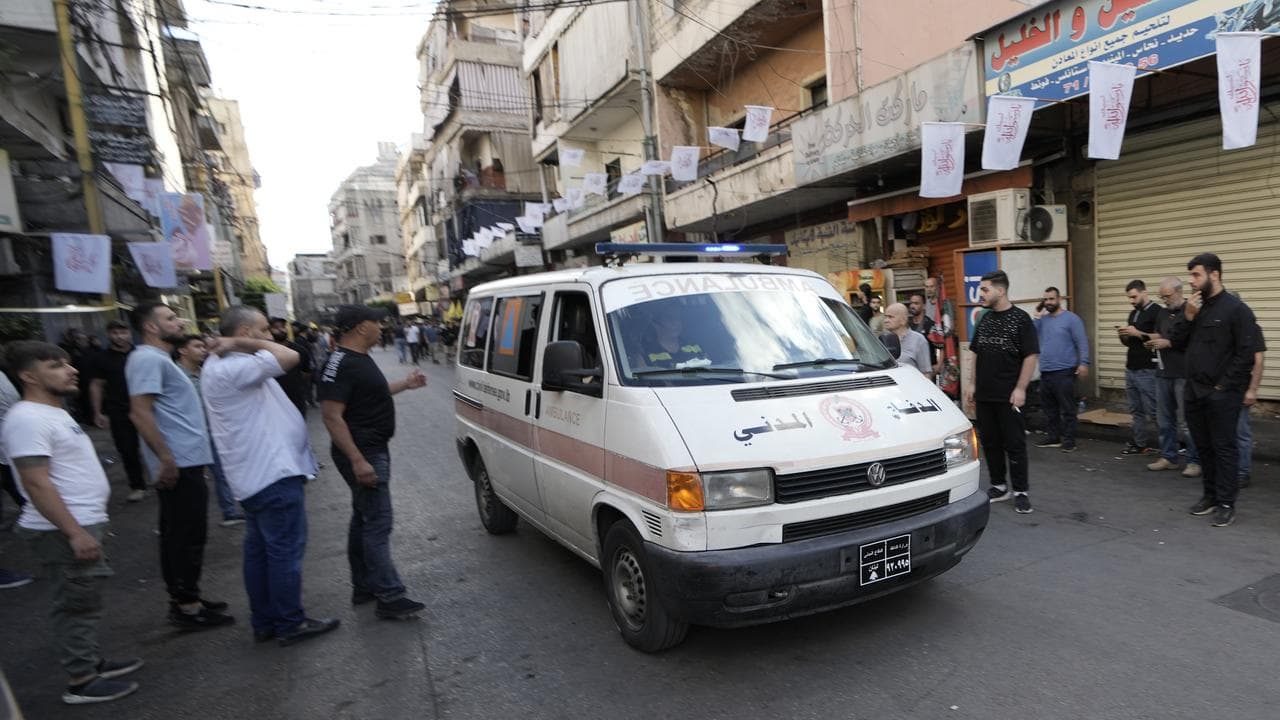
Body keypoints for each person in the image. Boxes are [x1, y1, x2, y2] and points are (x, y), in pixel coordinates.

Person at [4, 341, 142, 704]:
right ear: (28, 376)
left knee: (85, 599)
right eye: (56, 366)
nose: (72, 370)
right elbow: (36, 482)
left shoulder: (53, 411)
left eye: (67, 363)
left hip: (78, 522)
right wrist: (74, 532)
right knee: (74, 604)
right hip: (61, 530)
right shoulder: (27, 418)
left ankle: (91, 661)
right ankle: (81, 680)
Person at [203, 306, 340, 646]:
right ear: (244, 333)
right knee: (283, 553)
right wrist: (241, 343)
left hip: (256, 477)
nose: (270, 335)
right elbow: (290, 355)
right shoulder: (233, 366)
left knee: (262, 553)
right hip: (272, 475)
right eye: (263, 330)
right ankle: (290, 622)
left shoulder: (222, 365)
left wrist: (239, 343)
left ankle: (265, 620)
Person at [126, 302, 234, 630]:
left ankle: (188, 597)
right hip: (178, 462)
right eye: (170, 318)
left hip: (186, 459)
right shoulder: (147, 358)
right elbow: (139, 412)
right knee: (185, 535)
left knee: (185, 532)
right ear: (150, 327)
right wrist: (166, 458)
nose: (180, 322)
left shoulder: (160, 359)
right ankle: (187, 606)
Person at [320, 306, 428, 620]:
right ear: (360, 327)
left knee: (363, 519)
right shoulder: (343, 363)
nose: (381, 327)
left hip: (369, 448)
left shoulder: (353, 359)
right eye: (376, 322)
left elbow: (371, 394)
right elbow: (331, 415)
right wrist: (357, 459)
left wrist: (406, 384)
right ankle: (389, 595)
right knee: (378, 522)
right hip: (364, 452)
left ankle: (365, 586)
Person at [1166, 253, 1257, 528]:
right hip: (1194, 391)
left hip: (1222, 394)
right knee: (1203, 447)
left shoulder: (1237, 310)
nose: (1191, 281)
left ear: (1214, 274)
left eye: (1196, 275)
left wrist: (1222, 386)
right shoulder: (1195, 308)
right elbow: (1176, 343)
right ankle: (1210, 496)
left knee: (1224, 448)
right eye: (1190, 275)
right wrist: (1188, 317)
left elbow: (1246, 354)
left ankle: (1227, 503)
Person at [964, 270, 1039, 514]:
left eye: (985, 289)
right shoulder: (985, 318)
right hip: (985, 395)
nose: (981, 294)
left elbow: (1031, 355)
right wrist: (972, 384)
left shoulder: (1021, 319)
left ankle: (1021, 491)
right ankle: (999, 486)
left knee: (1015, 444)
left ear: (1001, 290)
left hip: (1009, 396)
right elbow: (976, 352)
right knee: (990, 442)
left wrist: (1021, 388)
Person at [172, 335, 244, 527]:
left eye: (204, 346)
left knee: (222, 472)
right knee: (189, 481)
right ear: (182, 350)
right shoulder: (175, 375)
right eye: (197, 346)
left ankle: (230, 512)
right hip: (186, 436)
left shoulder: (206, 372)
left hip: (212, 431)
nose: (203, 350)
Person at [1143, 278, 1201, 477]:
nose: (1164, 300)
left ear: (1179, 292)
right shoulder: (1162, 312)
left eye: (1167, 296)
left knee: (1187, 421)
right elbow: (1159, 334)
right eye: (1162, 296)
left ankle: (1194, 461)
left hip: (1184, 373)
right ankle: (1168, 457)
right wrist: (1149, 339)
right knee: (1164, 420)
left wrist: (1167, 343)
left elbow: (1192, 339)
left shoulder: (1191, 310)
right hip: (1163, 371)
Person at [88, 320, 147, 502]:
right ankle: (137, 485)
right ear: (108, 335)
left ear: (129, 333)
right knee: (127, 448)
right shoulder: (101, 358)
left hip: (147, 406)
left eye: (123, 332)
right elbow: (96, 385)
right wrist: (97, 412)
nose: (120, 337)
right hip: (119, 410)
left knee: (155, 442)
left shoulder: (141, 354)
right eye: (115, 333)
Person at [1033, 287, 1090, 452]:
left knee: (1067, 409)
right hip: (1046, 371)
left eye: (1051, 299)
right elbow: (1031, 335)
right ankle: (1053, 438)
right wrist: (1037, 316)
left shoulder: (1072, 319)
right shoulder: (1043, 320)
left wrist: (1084, 362)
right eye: (1046, 299)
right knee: (1049, 409)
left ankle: (1069, 441)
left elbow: (1082, 342)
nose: (1048, 302)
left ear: (1059, 299)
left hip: (1064, 370)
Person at [1116, 280, 1161, 454]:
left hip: (1148, 368)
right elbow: (1129, 343)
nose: (1132, 301)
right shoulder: (1133, 313)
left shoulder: (1157, 311)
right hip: (1131, 367)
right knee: (1136, 410)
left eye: (1134, 297)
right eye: (1129, 298)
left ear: (1144, 292)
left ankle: (1169, 447)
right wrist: (1124, 335)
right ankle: (1140, 443)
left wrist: (1138, 333)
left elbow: (1161, 336)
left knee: (1154, 410)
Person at [1235, 322, 1265, 489]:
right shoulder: (1219, 326)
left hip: (1240, 388)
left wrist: (1252, 390)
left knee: (1241, 432)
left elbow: (1258, 361)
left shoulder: (1251, 328)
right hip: (1218, 389)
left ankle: (1242, 472)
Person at [269, 317, 313, 418]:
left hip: (296, 399)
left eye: (283, 326)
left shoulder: (300, 350)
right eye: (276, 327)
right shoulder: (264, 352)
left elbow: (306, 373)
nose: (281, 330)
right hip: (274, 401)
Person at [640, 307, 708, 367]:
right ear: (655, 324)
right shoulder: (647, 353)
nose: (676, 323)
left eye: (678, 318)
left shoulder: (695, 347)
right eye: (670, 319)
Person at [884, 303, 932, 379]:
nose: (886, 320)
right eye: (885, 317)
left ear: (903, 320)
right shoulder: (883, 340)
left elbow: (926, 373)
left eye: (890, 317)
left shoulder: (918, 340)